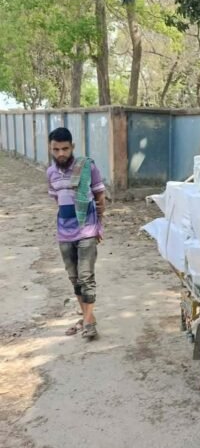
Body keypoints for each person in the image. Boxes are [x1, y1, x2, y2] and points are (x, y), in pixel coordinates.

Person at [47, 127, 106, 339]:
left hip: (87, 229)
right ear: (51, 149)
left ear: (72, 147)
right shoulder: (51, 173)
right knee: (74, 278)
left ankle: (88, 323)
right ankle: (89, 317)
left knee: (86, 277)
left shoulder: (87, 167)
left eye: (65, 148)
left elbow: (100, 197)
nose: (61, 153)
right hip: (64, 232)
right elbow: (58, 200)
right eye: (56, 149)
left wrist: (99, 226)